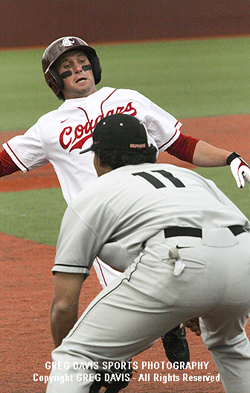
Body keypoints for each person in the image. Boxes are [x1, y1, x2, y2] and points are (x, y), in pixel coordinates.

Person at [1, 36, 250, 368]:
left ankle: (163, 328)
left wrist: (230, 157)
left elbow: (180, 143)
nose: (78, 70)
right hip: (103, 229)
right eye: (67, 67)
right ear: (54, 80)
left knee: (174, 273)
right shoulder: (49, 127)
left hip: (155, 210)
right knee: (130, 307)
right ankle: (137, 346)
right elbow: (5, 161)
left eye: (83, 63)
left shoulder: (130, 99)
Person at [46, 113, 250, 393]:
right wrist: (196, 299)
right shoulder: (190, 177)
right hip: (243, 260)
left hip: (177, 265)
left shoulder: (94, 193)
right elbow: (237, 228)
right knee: (230, 344)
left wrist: (73, 352)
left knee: (74, 358)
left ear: (98, 158)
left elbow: (64, 304)